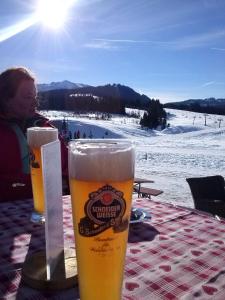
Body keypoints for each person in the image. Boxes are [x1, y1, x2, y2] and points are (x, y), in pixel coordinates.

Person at [0, 66, 68, 202]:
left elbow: (67, 167)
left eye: (35, 96)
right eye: (27, 97)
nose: (35, 102)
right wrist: (29, 185)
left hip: (47, 210)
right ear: (6, 99)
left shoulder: (45, 127)